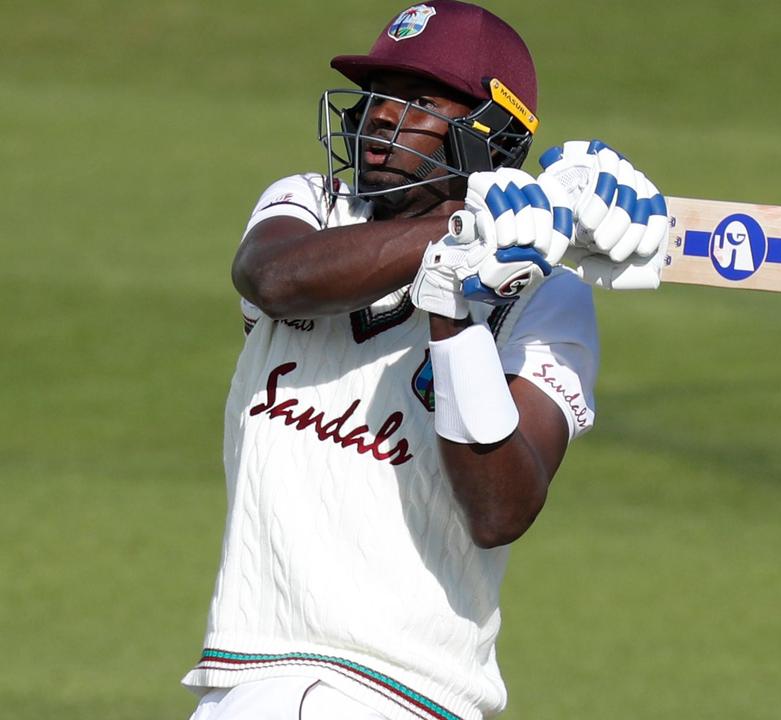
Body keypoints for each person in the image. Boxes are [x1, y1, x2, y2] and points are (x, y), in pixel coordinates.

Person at [181, 3, 667, 719]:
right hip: (251, 681)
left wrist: (459, 307)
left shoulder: (547, 302)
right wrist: (462, 229)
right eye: (378, 95)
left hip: (404, 692)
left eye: (417, 102)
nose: (381, 117)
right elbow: (273, 280)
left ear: (490, 136)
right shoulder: (312, 206)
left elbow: (501, 508)